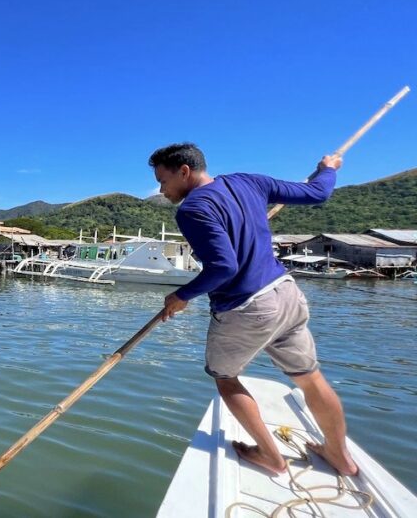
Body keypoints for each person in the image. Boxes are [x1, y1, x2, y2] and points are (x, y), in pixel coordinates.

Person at [150, 142, 358, 477]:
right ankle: (340, 456)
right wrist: (328, 169)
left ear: (184, 171)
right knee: (310, 377)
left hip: (247, 306)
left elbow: (223, 268)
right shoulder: (249, 181)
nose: (161, 189)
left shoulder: (192, 210)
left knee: (225, 378)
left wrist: (182, 295)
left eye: (163, 181)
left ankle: (270, 456)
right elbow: (317, 194)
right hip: (285, 293)